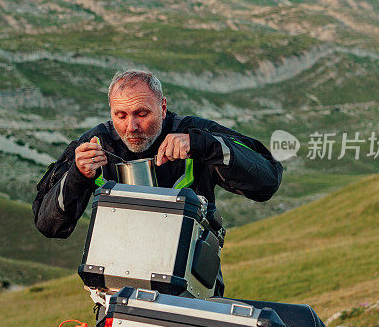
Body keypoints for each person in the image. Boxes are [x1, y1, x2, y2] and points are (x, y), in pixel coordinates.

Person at [33, 70, 283, 239]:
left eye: (142, 114)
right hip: (116, 286)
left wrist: (204, 146)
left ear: (163, 107)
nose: (131, 126)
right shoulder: (95, 144)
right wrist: (78, 175)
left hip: (189, 285)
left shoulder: (195, 133)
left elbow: (267, 181)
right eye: (120, 115)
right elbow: (49, 226)